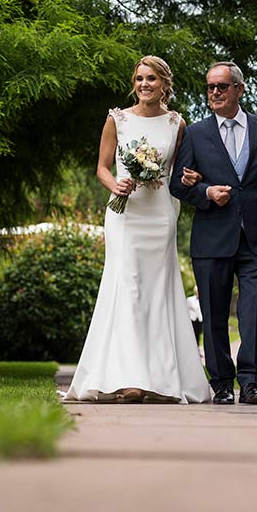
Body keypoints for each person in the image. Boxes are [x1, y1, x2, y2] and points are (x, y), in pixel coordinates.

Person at [61, 56, 211, 404]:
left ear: (164, 84)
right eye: (140, 78)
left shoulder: (177, 124)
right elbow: (101, 167)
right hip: (125, 216)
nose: (145, 84)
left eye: (152, 79)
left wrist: (191, 177)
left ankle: (159, 378)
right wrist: (115, 185)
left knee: (157, 292)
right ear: (135, 82)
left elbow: (181, 172)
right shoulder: (118, 119)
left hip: (160, 215)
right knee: (128, 288)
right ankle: (129, 379)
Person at [170, 61, 257, 405]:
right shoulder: (196, 133)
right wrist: (206, 193)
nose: (214, 92)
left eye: (221, 87)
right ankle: (222, 383)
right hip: (212, 236)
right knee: (213, 313)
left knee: (255, 311)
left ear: (239, 90)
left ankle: (251, 382)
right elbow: (177, 185)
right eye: (210, 87)